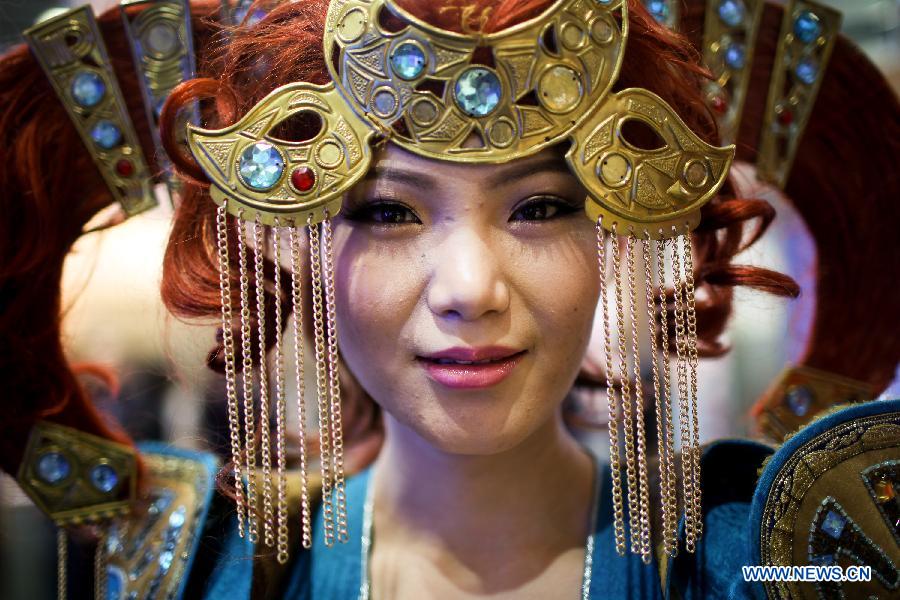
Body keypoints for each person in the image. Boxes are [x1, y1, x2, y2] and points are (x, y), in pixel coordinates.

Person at [0, 1, 897, 599]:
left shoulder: (767, 561)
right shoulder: (203, 573)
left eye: (541, 208)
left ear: (621, 228)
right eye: (389, 211)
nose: (470, 289)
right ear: (295, 238)